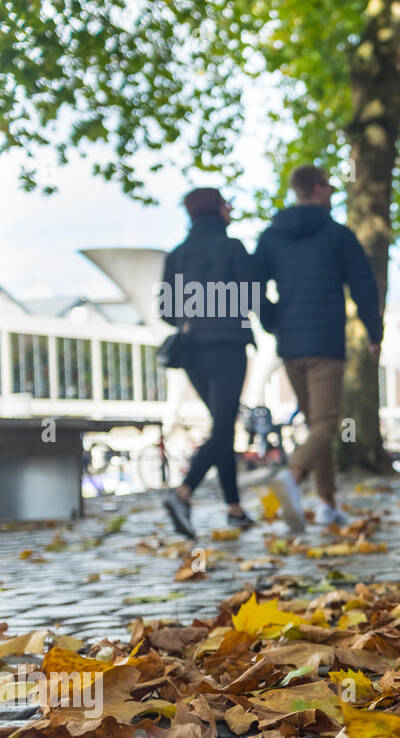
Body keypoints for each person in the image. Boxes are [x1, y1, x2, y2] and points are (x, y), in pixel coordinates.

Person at [254, 165, 383, 532]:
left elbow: (253, 285)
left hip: (290, 343)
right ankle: (291, 479)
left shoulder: (271, 236)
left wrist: (273, 320)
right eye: (328, 185)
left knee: (317, 425)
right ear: (316, 189)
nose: (333, 191)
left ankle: (326, 503)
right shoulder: (336, 234)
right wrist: (375, 332)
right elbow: (363, 285)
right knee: (327, 423)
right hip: (325, 342)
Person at [161, 188, 258, 539]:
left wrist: (194, 311)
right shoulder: (232, 249)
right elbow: (251, 293)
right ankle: (183, 492)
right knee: (222, 427)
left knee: (222, 426)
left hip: (192, 350)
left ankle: (234, 508)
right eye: (225, 203)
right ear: (216, 209)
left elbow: (166, 311)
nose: (230, 207)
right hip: (227, 345)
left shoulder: (177, 255)